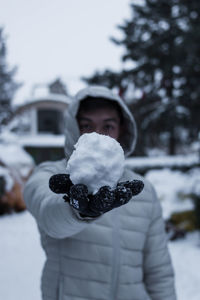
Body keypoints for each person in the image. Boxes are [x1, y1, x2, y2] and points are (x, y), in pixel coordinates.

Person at [24, 85, 177, 300]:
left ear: (122, 129)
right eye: (87, 125)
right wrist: (77, 210)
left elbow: (158, 270)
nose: (97, 135)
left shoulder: (142, 190)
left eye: (108, 125)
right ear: (73, 129)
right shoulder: (51, 176)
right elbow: (48, 215)